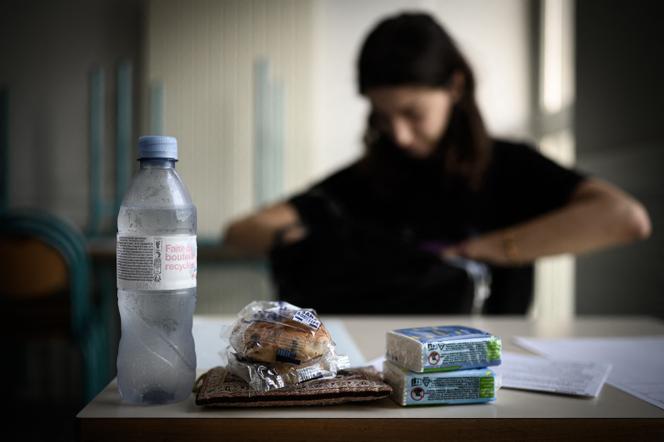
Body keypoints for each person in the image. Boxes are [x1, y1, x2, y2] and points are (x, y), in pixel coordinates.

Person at [223, 12, 651, 314]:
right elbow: (241, 231)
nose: (399, 135)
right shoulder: (370, 176)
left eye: (412, 113)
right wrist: (306, 237)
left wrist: (483, 250)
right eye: (383, 117)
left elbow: (624, 218)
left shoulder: (512, 166)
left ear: (456, 87)